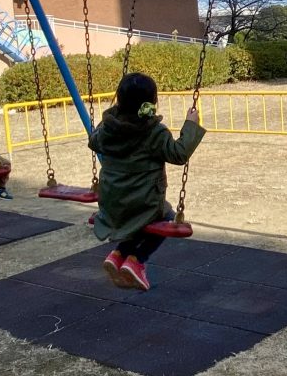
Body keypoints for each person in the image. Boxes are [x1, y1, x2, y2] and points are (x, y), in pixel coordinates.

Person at [88, 72, 205, 291]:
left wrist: (108, 117)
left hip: (112, 201)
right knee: (166, 216)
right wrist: (191, 125)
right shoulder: (154, 132)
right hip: (143, 203)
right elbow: (178, 154)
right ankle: (137, 260)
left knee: (141, 219)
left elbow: (93, 141)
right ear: (152, 102)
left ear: (118, 100)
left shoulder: (108, 129)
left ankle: (118, 254)